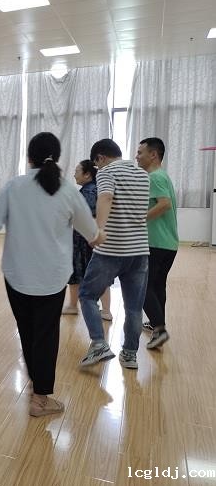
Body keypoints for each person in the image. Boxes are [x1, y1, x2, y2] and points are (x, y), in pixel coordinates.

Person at [0, 132, 102, 417]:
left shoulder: (15, 186)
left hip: (16, 276)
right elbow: (92, 234)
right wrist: (106, 234)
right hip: (52, 278)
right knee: (45, 335)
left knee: (27, 331)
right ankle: (40, 398)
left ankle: (37, 385)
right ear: (56, 157)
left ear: (29, 157)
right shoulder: (68, 190)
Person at [79, 138, 149, 370]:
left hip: (111, 249)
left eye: (96, 164)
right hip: (139, 250)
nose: (97, 168)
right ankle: (129, 354)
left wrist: (98, 230)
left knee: (87, 295)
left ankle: (99, 343)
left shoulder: (107, 172)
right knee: (134, 308)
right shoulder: (142, 174)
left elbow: (106, 197)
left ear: (100, 158)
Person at [135, 137, 178, 350]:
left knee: (142, 288)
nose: (137, 156)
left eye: (140, 152)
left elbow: (164, 204)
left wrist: (139, 219)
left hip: (156, 243)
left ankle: (159, 330)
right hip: (168, 243)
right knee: (158, 285)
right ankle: (157, 324)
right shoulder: (162, 175)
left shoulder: (154, 177)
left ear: (153, 155)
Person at [62, 160, 111, 319]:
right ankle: (104, 309)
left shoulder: (89, 191)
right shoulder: (92, 189)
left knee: (81, 273)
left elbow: (88, 216)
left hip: (86, 240)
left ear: (87, 174)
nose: (74, 174)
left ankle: (76, 306)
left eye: (77, 171)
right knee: (97, 274)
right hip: (88, 239)